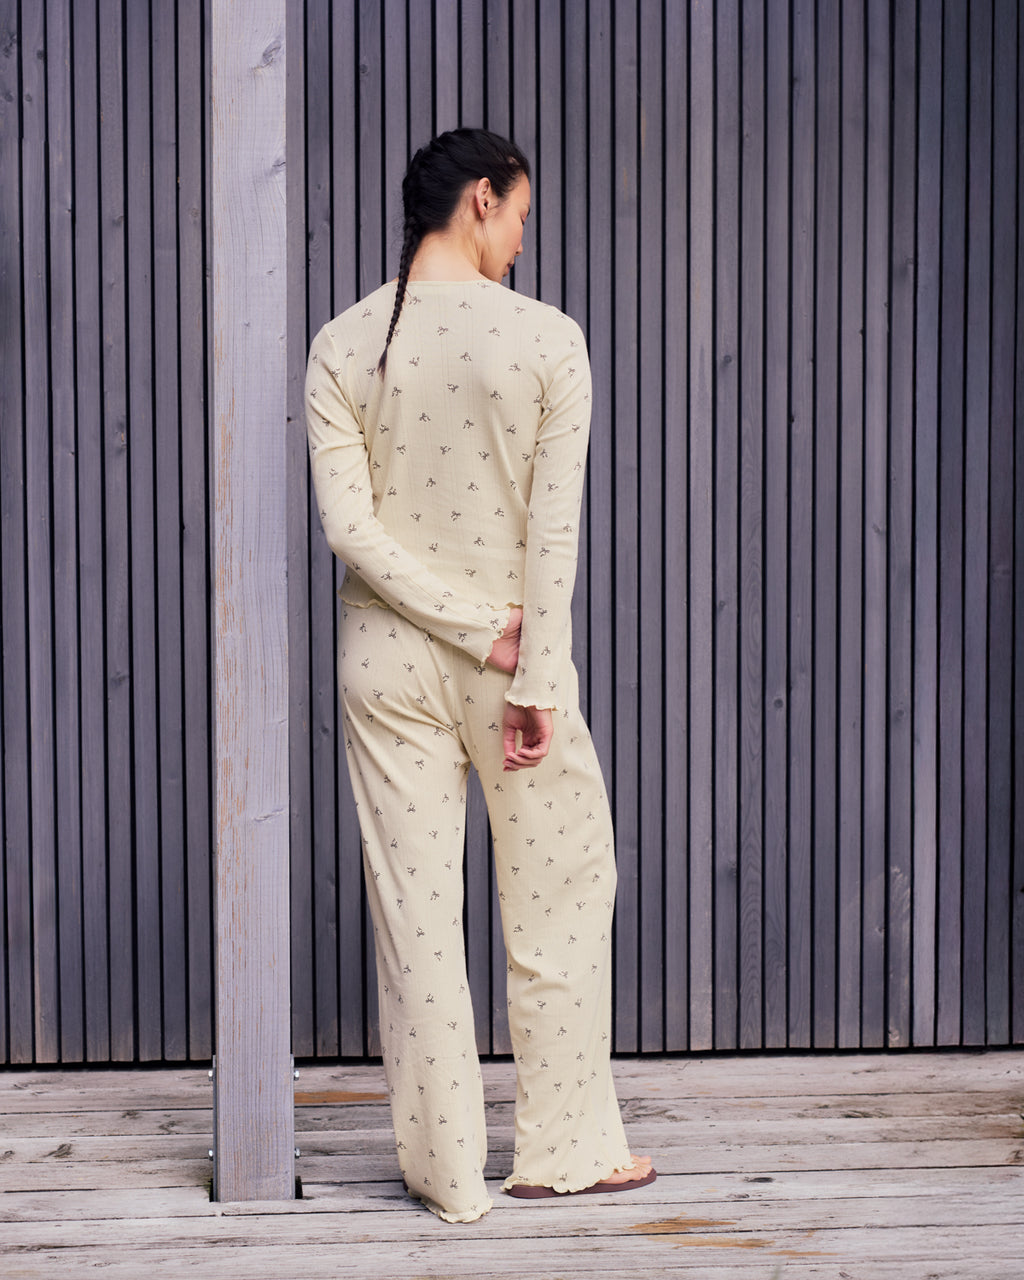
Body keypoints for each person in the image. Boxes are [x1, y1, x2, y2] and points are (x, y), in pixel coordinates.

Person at [305, 127, 655, 1223]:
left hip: (385, 657)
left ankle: (450, 1175)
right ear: (478, 200)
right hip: (507, 659)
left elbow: (348, 528)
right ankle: (562, 1147)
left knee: (415, 914)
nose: (518, 238)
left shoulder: (340, 342)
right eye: (518, 216)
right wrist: (527, 667)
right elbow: (553, 535)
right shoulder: (547, 339)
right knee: (560, 886)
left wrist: (466, 626)